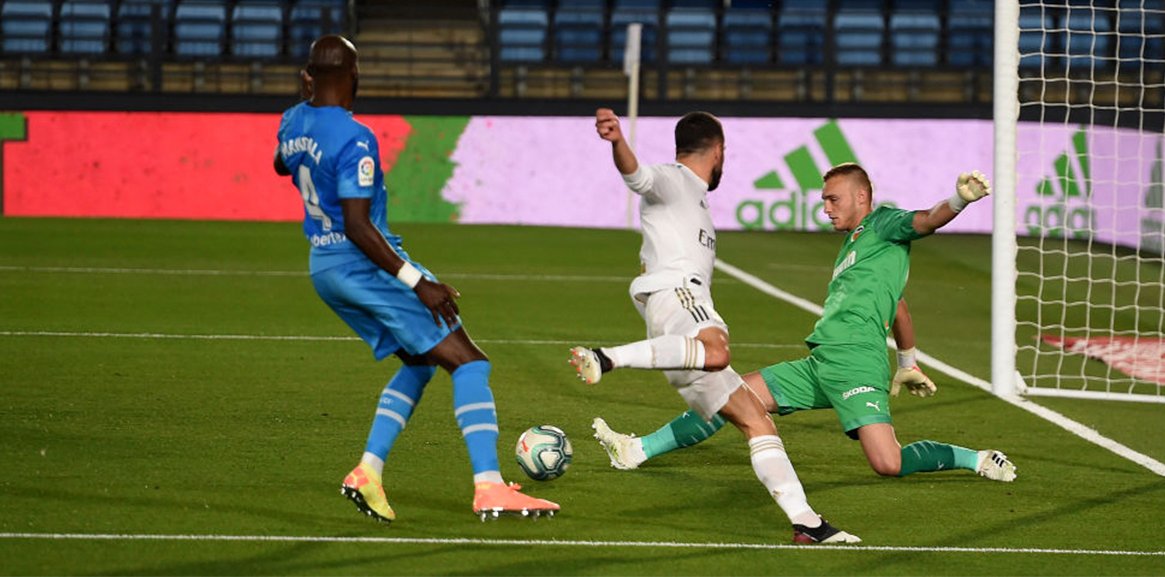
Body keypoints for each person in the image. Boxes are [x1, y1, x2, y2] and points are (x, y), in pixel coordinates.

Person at [273, 35, 558, 524]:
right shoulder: (355, 137)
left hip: (323, 267)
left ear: (308, 77)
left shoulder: (293, 119)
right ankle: (489, 487)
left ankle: (368, 470)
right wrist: (416, 282)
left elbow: (282, 164)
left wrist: (306, 105)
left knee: (422, 363)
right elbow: (359, 226)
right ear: (356, 75)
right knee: (469, 362)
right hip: (362, 263)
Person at [591, 163, 1017, 488]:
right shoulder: (856, 245)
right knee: (727, 396)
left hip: (857, 364)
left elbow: (927, 219)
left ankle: (975, 458)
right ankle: (636, 450)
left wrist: (959, 201)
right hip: (821, 363)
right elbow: (899, 306)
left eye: (833, 199)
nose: (825, 207)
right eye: (824, 200)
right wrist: (908, 361)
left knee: (888, 463)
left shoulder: (884, 224)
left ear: (862, 197)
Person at [568, 108, 859, 544]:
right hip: (679, 296)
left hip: (675, 310)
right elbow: (638, 177)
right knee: (719, 350)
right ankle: (607, 357)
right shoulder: (677, 179)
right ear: (718, 150)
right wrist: (617, 143)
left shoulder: (695, 194)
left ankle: (807, 523)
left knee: (756, 420)